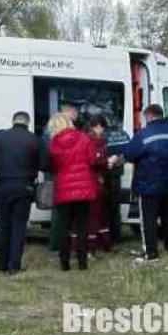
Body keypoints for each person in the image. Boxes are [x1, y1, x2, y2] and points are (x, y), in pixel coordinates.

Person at [110, 104, 168, 264]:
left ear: (149, 116)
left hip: (149, 184)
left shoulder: (144, 134)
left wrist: (115, 161)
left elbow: (129, 154)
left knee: (148, 220)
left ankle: (150, 253)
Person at [0, 111, 40, 275]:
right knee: (19, 226)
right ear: (28, 122)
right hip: (24, 186)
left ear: (13, 121)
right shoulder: (33, 139)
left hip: (4, 185)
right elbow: (42, 161)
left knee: (4, 225)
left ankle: (1, 263)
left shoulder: (0, 137)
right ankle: (14, 265)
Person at [48, 113, 98, 271]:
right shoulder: (84, 138)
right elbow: (92, 160)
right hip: (84, 188)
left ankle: (65, 263)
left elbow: (53, 166)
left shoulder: (54, 144)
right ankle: (83, 262)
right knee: (82, 226)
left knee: (64, 227)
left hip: (64, 189)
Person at [46, 104, 80, 251]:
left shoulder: (50, 139)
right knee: (75, 216)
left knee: (58, 214)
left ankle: (58, 245)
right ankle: (75, 246)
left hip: (58, 178)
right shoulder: (79, 138)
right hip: (75, 180)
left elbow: (47, 160)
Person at [81, 115, 111, 254]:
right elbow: (95, 160)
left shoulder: (83, 139)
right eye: (102, 128)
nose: (103, 131)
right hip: (94, 182)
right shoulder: (96, 142)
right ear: (98, 126)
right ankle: (95, 246)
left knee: (87, 217)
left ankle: (86, 245)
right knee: (96, 216)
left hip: (86, 182)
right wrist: (106, 161)